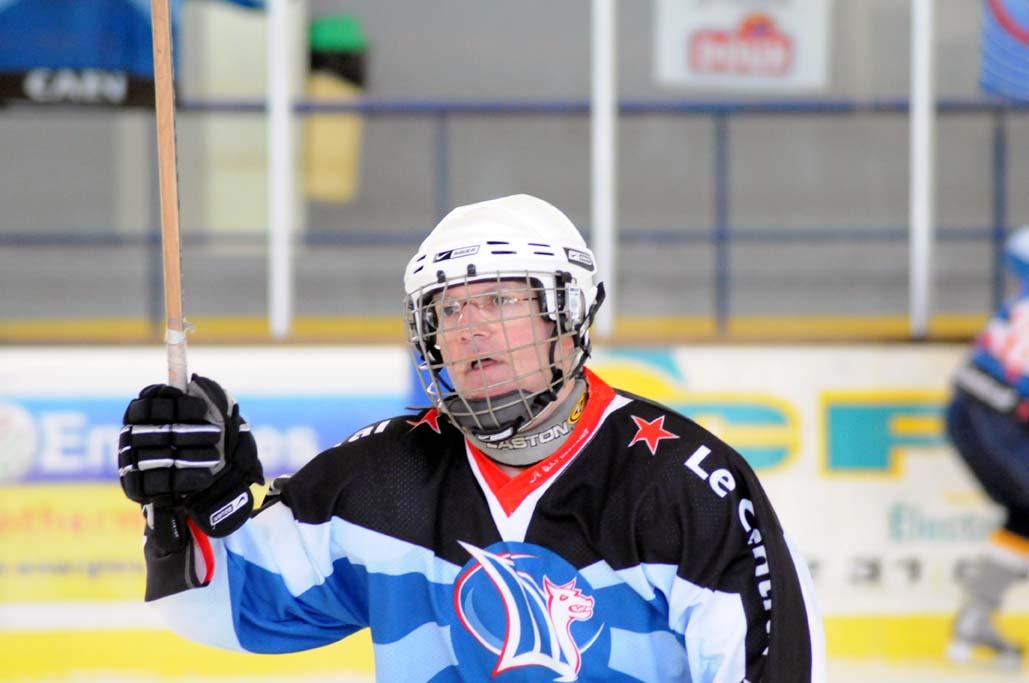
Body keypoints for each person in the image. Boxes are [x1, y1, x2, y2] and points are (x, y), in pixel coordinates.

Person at [118, 194, 825, 682]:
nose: (468, 327)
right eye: (447, 309)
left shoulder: (681, 484)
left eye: (498, 300)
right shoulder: (381, 478)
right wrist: (195, 505)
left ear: (567, 314)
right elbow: (222, 609)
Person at [945, 227, 1029, 671]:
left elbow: (1018, 245)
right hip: (1001, 418)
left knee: (1023, 517)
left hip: (968, 406)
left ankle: (973, 624)